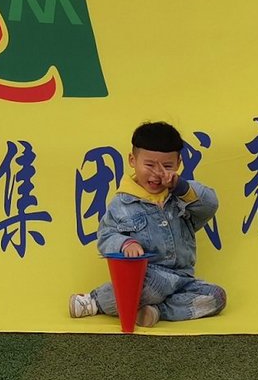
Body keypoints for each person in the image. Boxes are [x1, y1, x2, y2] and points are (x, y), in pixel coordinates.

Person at [69, 121, 225, 326]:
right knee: (152, 285)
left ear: (178, 163)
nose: (157, 173)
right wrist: (126, 244)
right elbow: (106, 236)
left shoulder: (181, 197)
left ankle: (155, 311)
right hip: (145, 277)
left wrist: (180, 186)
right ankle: (95, 301)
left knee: (216, 296)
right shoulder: (122, 203)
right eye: (149, 165)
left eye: (167, 166)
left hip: (182, 279)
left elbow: (210, 205)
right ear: (132, 160)